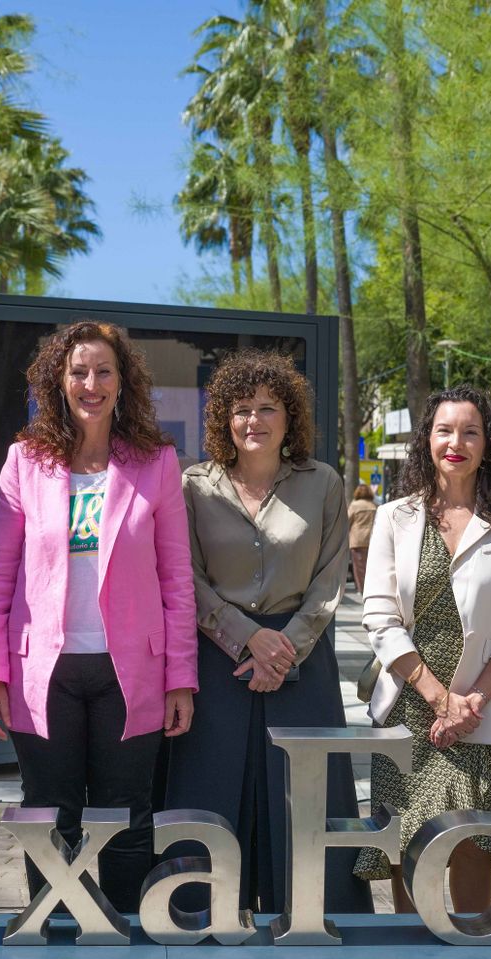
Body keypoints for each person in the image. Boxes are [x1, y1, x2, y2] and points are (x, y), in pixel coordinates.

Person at [0, 321, 197, 913]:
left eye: (103, 371)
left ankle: (126, 936)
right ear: (59, 380)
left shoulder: (156, 462)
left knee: (127, 817)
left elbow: (177, 579)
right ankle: (54, 941)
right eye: (79, 371)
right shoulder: (26, 460)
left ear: (123, 382)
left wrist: (181, 678)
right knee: (50, 816)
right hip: (42, 672)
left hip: (133, 672)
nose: (91, 383)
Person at [164, 351, 370, 915]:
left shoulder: (323, 483)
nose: (253, 420)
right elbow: (186, 576)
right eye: (240, 409)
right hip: (217, 658)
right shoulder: (193, 486)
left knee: (303, 800)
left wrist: (283, 648)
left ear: (289, 417)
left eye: (267, 408)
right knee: (212, 790)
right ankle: (199, 919)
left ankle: (316, 923)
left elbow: (330, 582)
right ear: (223, 420)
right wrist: (243, 636)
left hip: (300, 663)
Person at [356, 386, 491, 912]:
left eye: (470, 431)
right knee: (407, 844)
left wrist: (471, 703)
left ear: (488, 445)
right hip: (412, 706)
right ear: (427, 440)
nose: (455, 442)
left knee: (473, 843)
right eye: (444, 430)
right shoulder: (395, 517)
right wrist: (441, 700)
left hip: (488, 709)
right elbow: (379, 616)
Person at [348, 483, 377, 596]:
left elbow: (347, 521)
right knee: (371, 566)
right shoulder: (373, 505)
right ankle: (371, 588)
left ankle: (361, 589)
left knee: (358, 567)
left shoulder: (354, 505)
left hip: (357, 539)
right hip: (372, 538)